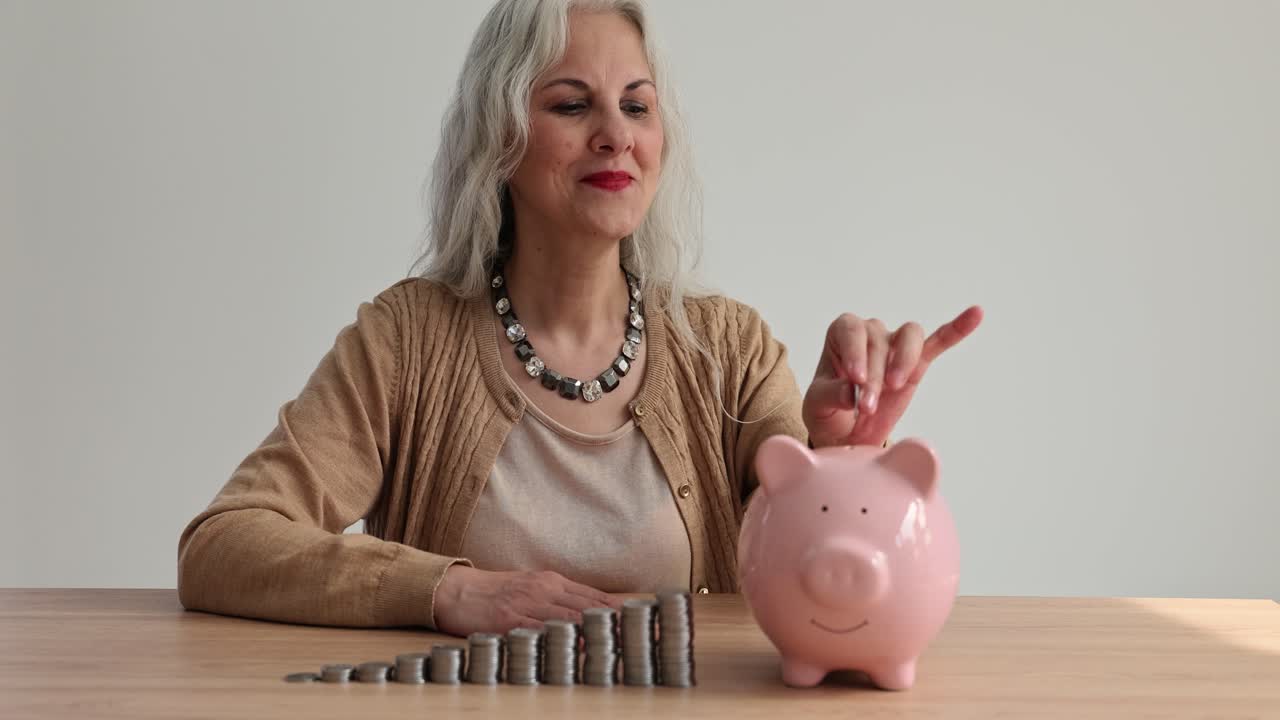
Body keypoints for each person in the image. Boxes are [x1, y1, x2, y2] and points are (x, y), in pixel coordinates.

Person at [177, 0, 982, 639]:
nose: (616, 136)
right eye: (571, 105)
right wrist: (449, 591)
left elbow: (821, 584)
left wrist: (844, 455)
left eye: (636, 106)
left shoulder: (729, 349)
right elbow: (222, 545)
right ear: (500, 136)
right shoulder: (405, 340)